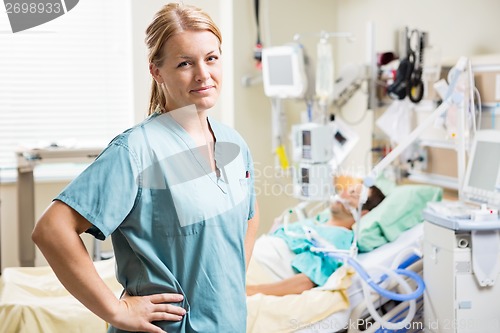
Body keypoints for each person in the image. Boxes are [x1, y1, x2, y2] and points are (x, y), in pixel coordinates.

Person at [32, 3, 259, 333]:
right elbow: (52, 230)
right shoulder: (137, 150)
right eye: (185, 63)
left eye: (211, 58)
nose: (203, 74)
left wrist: (230, 283)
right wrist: (117, 310)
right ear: (157, 71)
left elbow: (249, 215)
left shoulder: (233, 143)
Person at [246, 184, 385, 297]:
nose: (343, 194)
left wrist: (251, 290)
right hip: (245, 260)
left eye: (353, 195)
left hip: (257, 273)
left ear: (362, 213)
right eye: (347, 190)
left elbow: (305, 282)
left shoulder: (340, 238)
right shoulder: (316, 222)